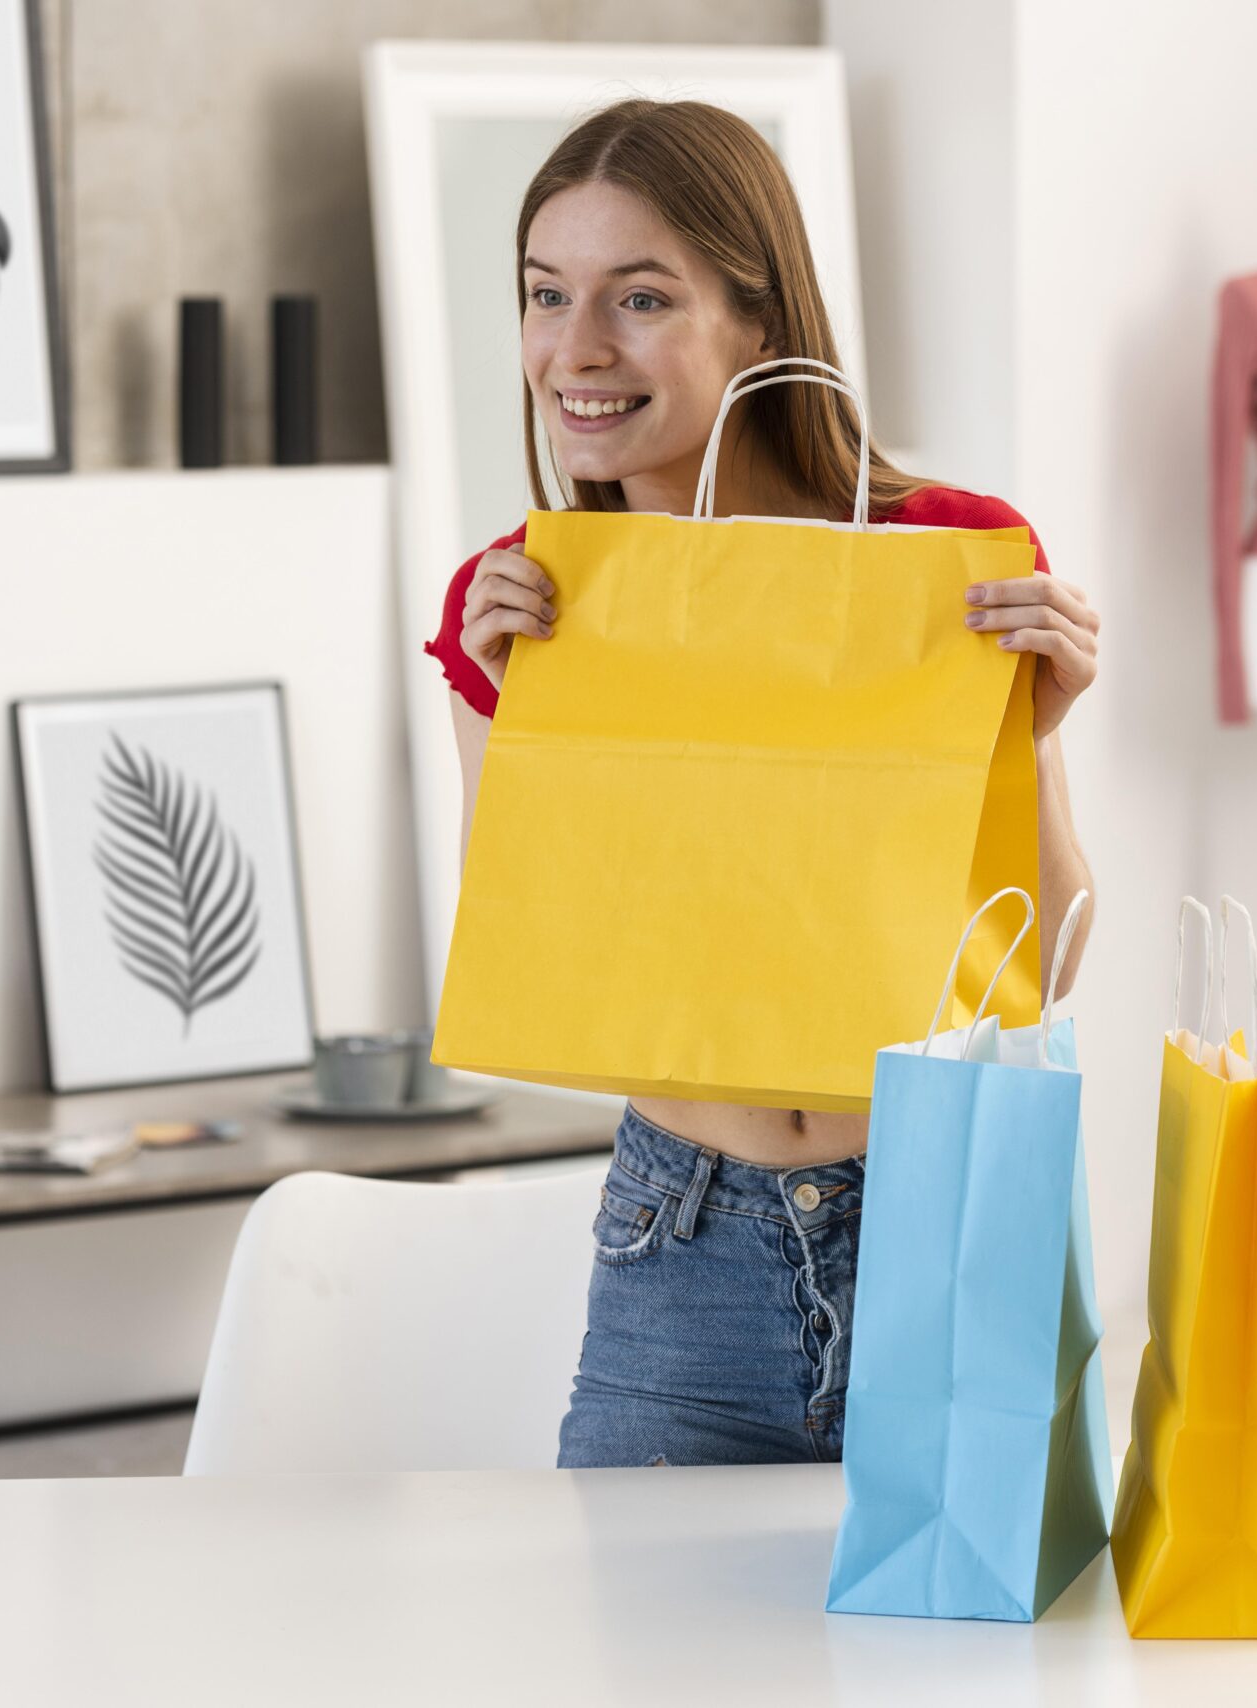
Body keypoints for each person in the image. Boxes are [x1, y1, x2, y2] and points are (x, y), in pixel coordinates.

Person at [420, 99, 1102, 1469]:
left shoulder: (949, 559)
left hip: (938, 1212)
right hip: (682, 1249)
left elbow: (1048, 954)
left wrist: (1032, 725)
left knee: (960, 1678)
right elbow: (557, 961)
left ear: (757, 315)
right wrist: (508, 697)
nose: (576, 349)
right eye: (547, 295)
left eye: (642, 297)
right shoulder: (527, 599)